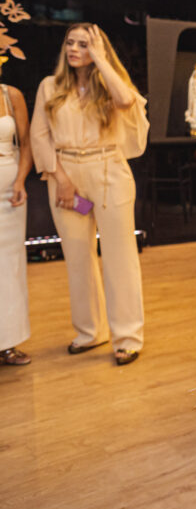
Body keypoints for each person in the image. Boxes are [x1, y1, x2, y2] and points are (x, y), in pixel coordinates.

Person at [30, 23, 148, 366]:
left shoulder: (109, 85)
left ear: (98, 50)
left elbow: (126, 100)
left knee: (119, 256)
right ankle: (89, 332)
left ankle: (127, 337)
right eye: (70, 42)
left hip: (109, 171)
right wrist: (61, 180)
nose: (74, 49)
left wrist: (100, 58)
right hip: (64, 175)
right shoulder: (49, 87)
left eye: (84, 44)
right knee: (78, 257)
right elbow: (40, 136)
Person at [0, 78, 32, 365]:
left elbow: (25, 142)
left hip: (9, 193)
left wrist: (21, 180)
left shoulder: (11, 95)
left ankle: (8, 343)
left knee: (10, 268)